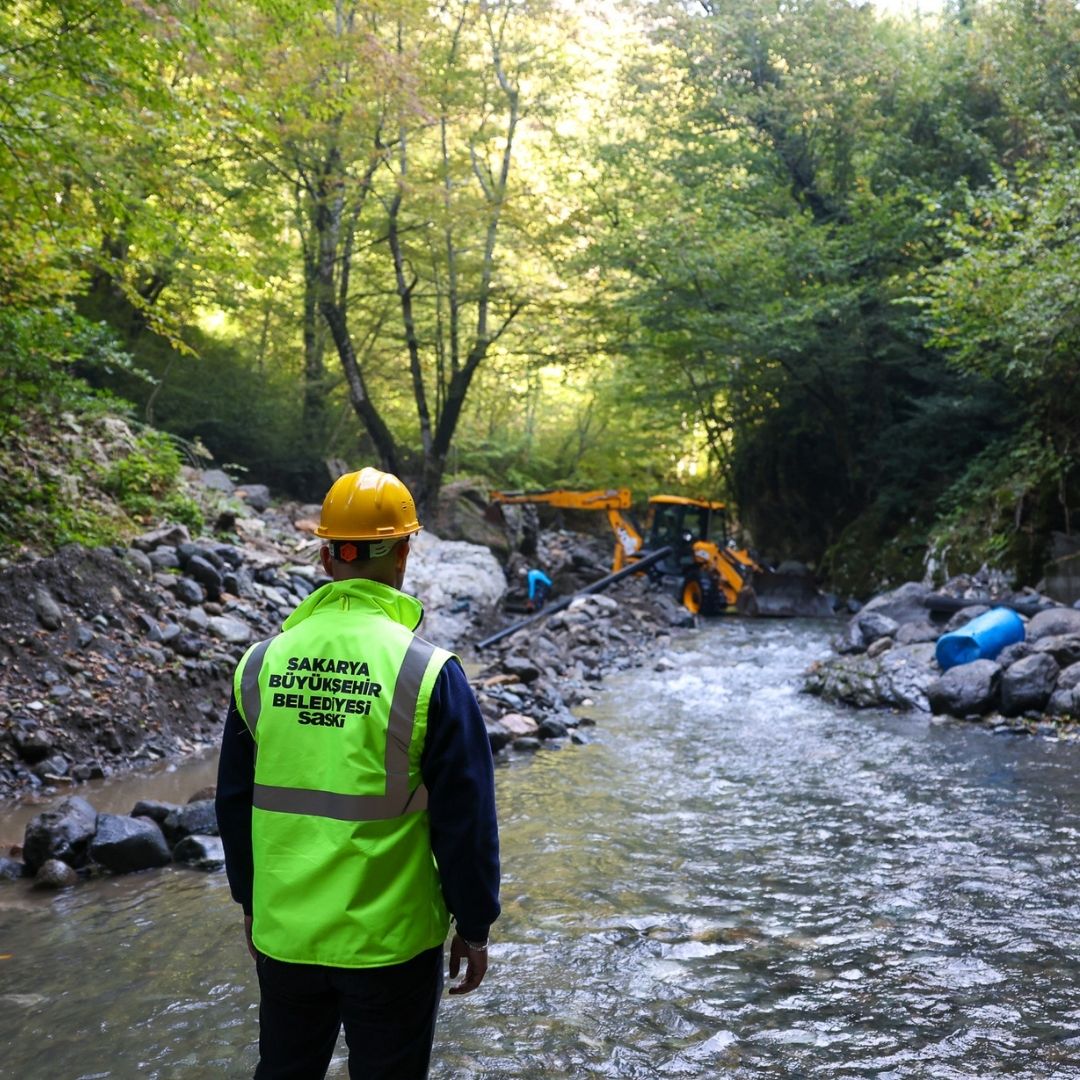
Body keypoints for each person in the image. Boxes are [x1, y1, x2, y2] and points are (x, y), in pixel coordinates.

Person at [216, 467, 500, 1080]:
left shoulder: (259, 665)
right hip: (390, 944)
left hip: (286, 933)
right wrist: (474, 925)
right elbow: (466, 818)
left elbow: (233, 804)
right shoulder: (428, 672)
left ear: (325, 556)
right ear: (403, 553)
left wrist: (250, 902)